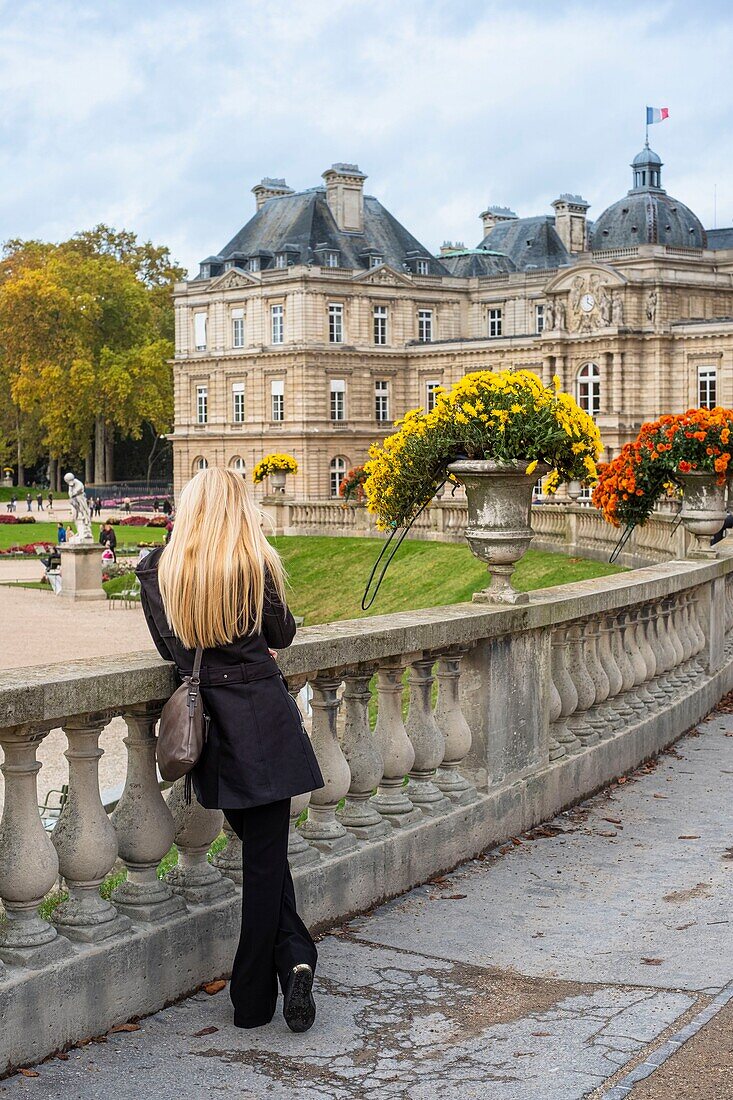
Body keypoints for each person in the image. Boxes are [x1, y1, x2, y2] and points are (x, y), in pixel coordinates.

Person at [136, 468, 322, 1033]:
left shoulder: (158, 570)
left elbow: (169, 648)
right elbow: (282, 634)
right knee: (266, 861)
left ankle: (292, 960)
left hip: (211, 727)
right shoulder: (254, 566)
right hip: (262, 719)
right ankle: (256, 995)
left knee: (264, 857)